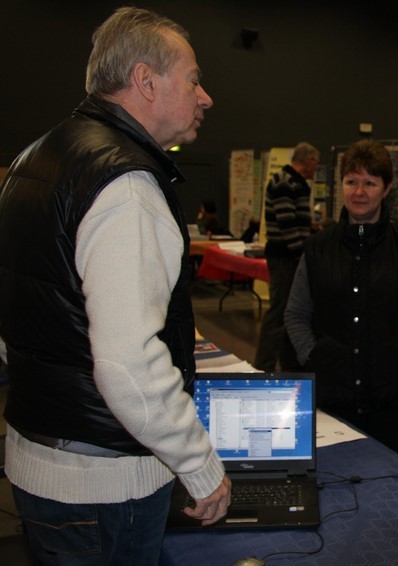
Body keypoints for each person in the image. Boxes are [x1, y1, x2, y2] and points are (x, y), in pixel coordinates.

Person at [0, 7, 230, 563]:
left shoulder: (35, 160)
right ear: (146, 81)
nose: (207, 98)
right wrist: (200, 466)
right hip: (104, 485)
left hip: (40, 457)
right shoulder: (124, 186)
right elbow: (128, 366)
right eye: (194, 79)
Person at [285, 140, 398, 457]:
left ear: (386, 189)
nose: (359, 192)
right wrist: (314, 355)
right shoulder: (317, 248)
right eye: (351, 181)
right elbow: (295, 314)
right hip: (331, 395)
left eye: (370, 183)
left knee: (388, 489)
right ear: (341, 185)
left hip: (391, 401)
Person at [254, 142, 320, 372]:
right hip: (285, 259)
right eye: (316, 163)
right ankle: (264, 367)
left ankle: (286, 363)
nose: (316, 169)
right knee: (279, 313)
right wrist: (302, 257)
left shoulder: (297, 182)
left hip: (291, 257)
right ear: (309, 161)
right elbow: (287, 225)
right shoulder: (285, 181)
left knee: (290, 313)